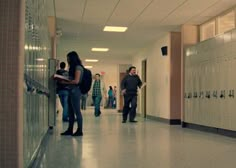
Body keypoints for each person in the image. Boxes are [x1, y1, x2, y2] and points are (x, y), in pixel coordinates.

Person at [57, 51, 84, 136]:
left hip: (75, 91)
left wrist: (65, 82)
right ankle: (70, 129)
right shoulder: (73, 68)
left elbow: (76, 81)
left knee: (77, 111)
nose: (67, 60)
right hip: (70, 91)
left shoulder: (78, 67)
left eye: (68, 58)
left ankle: (80, 130)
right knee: (70, 111)